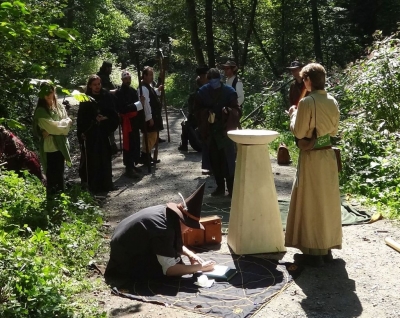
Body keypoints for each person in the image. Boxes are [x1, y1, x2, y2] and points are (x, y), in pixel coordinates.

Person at [104, 183, 216, 288]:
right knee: (167, 272)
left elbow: (173, 242)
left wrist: (191, 255)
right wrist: (200, 267)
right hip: (124, 259)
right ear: (182, 220)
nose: (190, 230)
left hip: (124, 242)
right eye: (189, 226)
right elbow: (169, 270)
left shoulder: (167, 213)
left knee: (175, 260)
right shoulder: (163, 229)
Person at [285, 63, 342, 267]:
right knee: (326, 202)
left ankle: (313, 252)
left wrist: (293, 113)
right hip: (327, 155)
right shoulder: (332, 101)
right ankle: (326, 249)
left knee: (311, 202)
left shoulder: (307, 102)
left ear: (308, 80)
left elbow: (299, 132)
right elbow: (334, 131)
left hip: (312, 158)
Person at [195, 68, 241, 197]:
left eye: (216, 80)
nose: (214, 83)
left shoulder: (229, 92)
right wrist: (206, 114)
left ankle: (231, 189)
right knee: (215, 161)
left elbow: (237, 109)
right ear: (208, 80)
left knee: (228, 161)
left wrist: (227, 111)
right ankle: (220, 187)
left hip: (226, 131)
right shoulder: (202, 92)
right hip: (211, 132)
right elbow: (196, 111)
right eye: (211, 80)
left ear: (219, 79)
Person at [77, 74, 119, 194]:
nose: (97, 87)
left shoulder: (106, 96)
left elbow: (113, 114)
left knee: (105, 158)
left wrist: (105, 118)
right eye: (94, 85)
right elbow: (81, 118)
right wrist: (85, 128)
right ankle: (94, 186)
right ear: (90, 86)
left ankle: (107, 184)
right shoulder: (85, 99)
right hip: (91, 134)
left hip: (103, 133)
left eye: (99, 84)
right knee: (93, 160)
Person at [33, 84, 72, 197]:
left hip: (61, 145)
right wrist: (63, 125)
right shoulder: (41, 111)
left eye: (51, 92)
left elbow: (65, 126)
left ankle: (61, 203)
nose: (49, 95)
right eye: (46, 93)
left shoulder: (59, 106)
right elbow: (55, 127)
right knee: (52, 176)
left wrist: (59, 127)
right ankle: (52, 203)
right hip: (50, 148)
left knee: (60, 174)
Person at [115, 70, 145, 179]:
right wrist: (137, 104)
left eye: (129, 78)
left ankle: (133, 164)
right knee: (129, 144)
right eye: (126, 79)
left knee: (135, 142)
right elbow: (122, 108)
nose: (128, 81)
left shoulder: (133, 91)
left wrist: (140, 104)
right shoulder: (119, 93)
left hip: (134, 121)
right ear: (122, 80)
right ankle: (128, 167)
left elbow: (138, 106)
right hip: (127, 121)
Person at [178, 65, 209, 152]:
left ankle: (184, 145)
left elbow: (192, 111)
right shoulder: (213, 91)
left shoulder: (195, 95)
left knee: (185, 123)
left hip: (205, 119)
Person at [138, 66, 164, 165]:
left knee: (151, 136)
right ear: (144, 76)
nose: (152, 77)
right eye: (150, 75)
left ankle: (147, 156)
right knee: (150, 136)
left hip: (153, 116)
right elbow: (146, 104)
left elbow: (152, 94)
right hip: (149, 117)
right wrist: (149, 118)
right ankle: (145, 156)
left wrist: (158, 90)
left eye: (152, 75)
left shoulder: (148, 86)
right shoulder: (143, 88)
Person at [97, 61, 119, 154]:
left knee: (110, 124)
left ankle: (111, 145)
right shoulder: (101, 77)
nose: (111, 70)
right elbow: (104, 90)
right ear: (106, 68)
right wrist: (113, 91)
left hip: (108, 103)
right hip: (103, 105)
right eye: (110, 68)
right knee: (108, 125)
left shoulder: (104, 76)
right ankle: (110, 146)